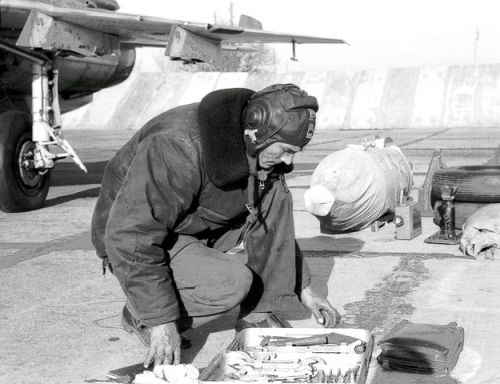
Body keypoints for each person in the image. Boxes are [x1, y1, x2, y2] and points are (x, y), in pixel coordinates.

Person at [91, 83, 339, 368]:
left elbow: (275, 225)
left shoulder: (256, 150)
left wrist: (304, 288)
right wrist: (161, 319)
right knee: (233, 282)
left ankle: (256, 314)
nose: (289, 160)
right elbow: (131, 235)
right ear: (257, 131)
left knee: (274, 197)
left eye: (296, 151)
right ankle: (139, 314)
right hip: (131, 236)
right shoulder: (177, 146)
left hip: (189, 223)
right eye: (285, 149)